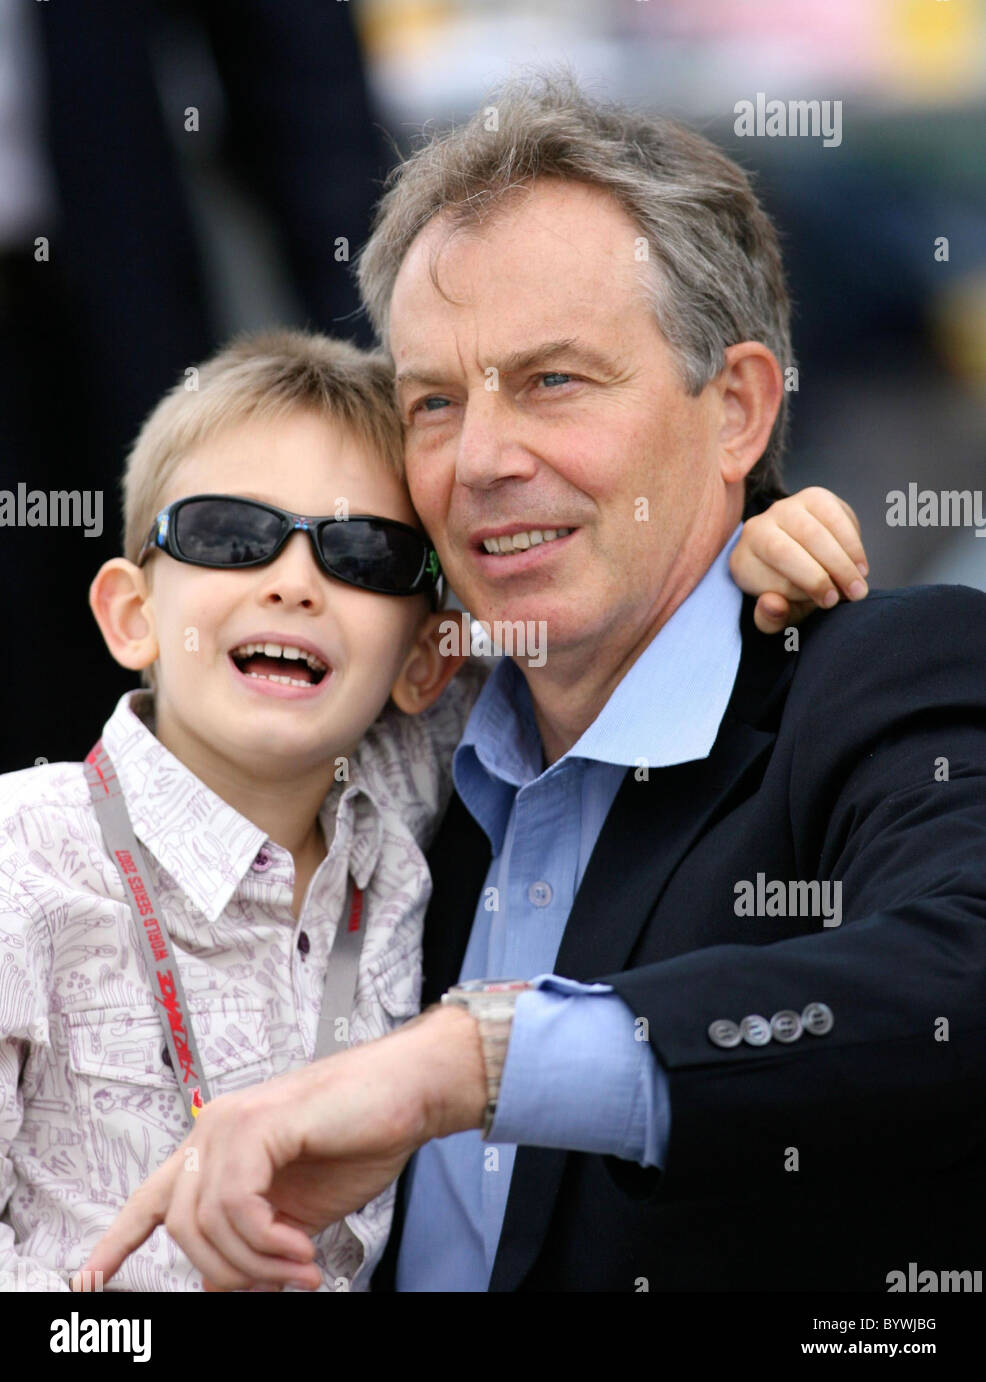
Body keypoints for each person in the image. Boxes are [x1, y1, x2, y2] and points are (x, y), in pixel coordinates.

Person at [79, 71, 984, 1296]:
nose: (485, 461)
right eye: (435, 402)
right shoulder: (406, 746)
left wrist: (468, 1061)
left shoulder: (877, 676)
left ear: (735, 411)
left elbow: (955, 976)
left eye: (553, 379)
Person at [0, 323, 857, 1293]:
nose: (292, 581)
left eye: (360, 554)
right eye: (227, 534)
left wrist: (751, 544)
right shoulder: (23, 856)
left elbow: (601, 639)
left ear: (425, 661)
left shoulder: (412, 781)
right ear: (130, 612)